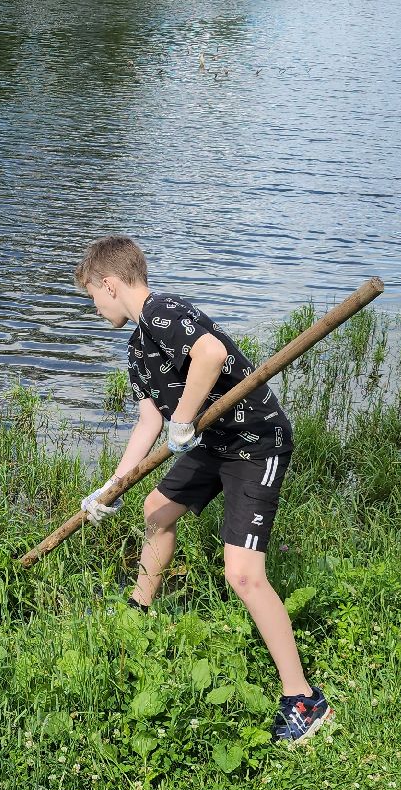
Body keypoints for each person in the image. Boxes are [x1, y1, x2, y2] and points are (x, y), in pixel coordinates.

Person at [72, 235, 335, 745]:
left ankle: (303, 698)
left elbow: (210, 354)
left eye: (93, 296)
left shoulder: (165, 311)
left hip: (255, 443)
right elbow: (150, 419)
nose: (95, 307)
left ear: (110, 282)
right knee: (155, 510)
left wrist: (186, 418)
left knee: (242, 574)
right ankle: (139, 609)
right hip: (214, 441)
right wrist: (113, 486)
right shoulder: (137, 348)